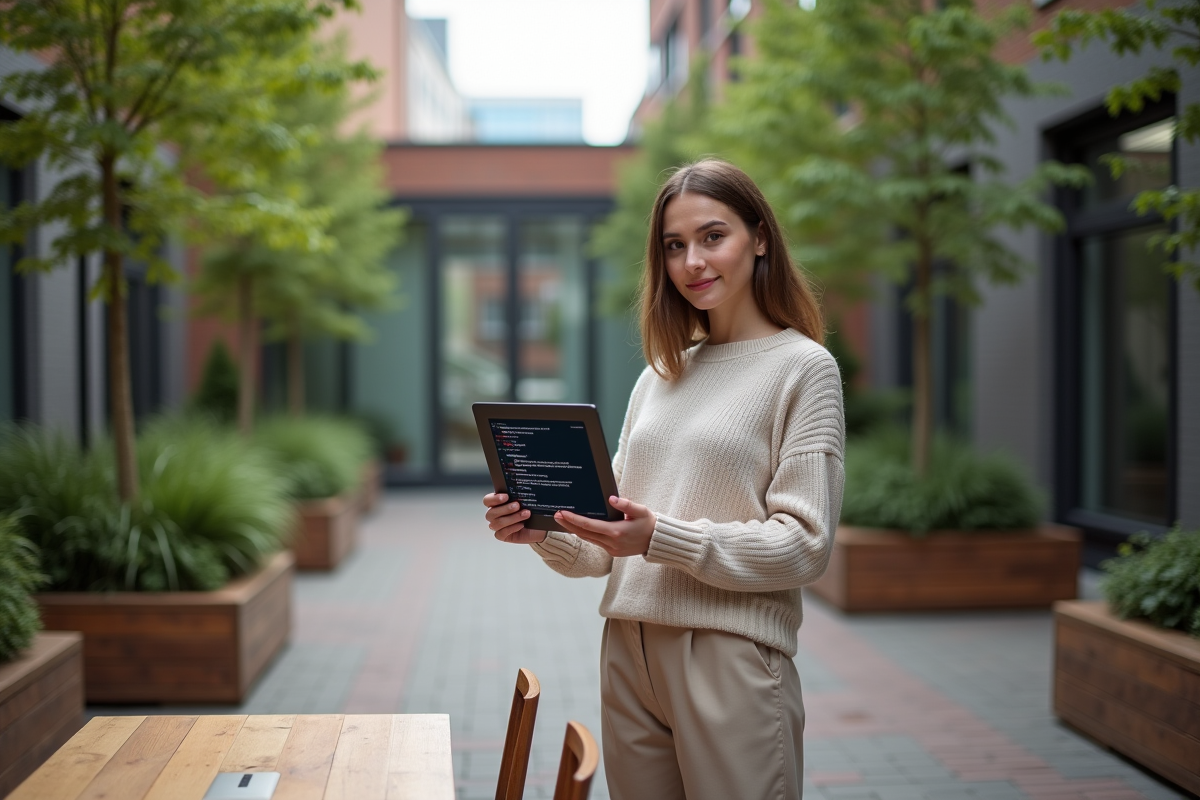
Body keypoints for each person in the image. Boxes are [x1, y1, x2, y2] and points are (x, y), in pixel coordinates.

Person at [483, 158, 844, 800]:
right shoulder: (660, 375)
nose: (692, 262)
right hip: (627, 651)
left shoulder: (803, 369)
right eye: (674, 246)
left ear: (760, 237)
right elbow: (605, 547)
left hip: (730, 654)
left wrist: (659, 538)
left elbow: (804, 546)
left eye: (713, 236)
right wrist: (541, 529)